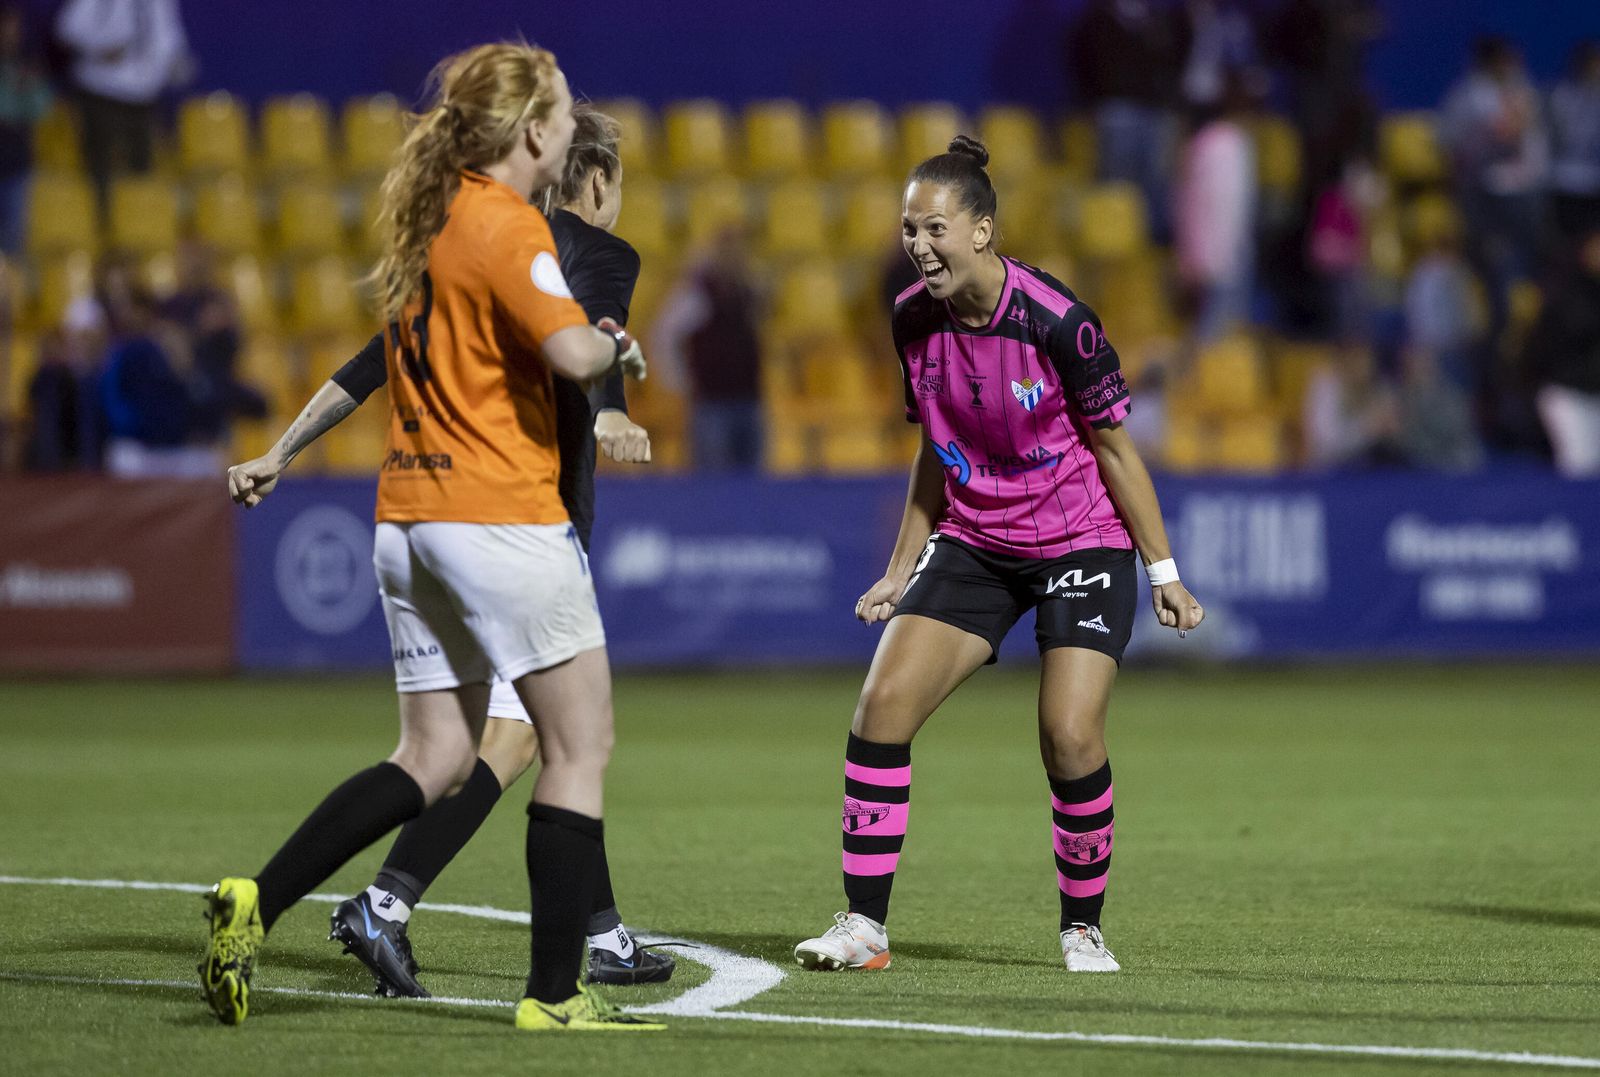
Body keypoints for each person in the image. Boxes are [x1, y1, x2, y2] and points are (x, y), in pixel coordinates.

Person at [201, 43, 662, 1033]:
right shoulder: (514, 226)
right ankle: (554, 995)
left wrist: (279, 452)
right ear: (533, 133)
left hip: (407, 523)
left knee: (434, 754)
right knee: (578, 743)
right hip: (503, 517)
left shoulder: (429, 225)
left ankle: (258, 899)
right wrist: (617, 356)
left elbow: (377, 364)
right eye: (560, 113)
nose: (567, 129)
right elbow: (574, 344)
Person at [792, 136, 1203, 976]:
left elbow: (1116, 450)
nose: (919, 245)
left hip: (1080, 540)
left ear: (982, 231)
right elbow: (932, 447)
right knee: (881, 709)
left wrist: (1163, 572)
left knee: (1069, 734)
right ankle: (864, 927)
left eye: (935, 228)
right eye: (909, 229)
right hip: (977, 538)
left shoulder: (1060, 322)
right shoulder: (911, 317)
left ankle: (1082, 928)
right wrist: (901, 567)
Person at [52, 0, 191, 210]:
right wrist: (99, 48)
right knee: (102, 169)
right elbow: (69, 28)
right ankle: (103, 222)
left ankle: (136, 224)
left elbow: (168, 35)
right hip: (103, 93)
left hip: (145, 96)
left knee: (141, 170)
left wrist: (171, 62)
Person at [651, 223, 764, 470]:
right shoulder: (698, 292)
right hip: (712, 403)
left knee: (754, 483)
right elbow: (664, 335)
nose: (738, 256)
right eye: (730, 250)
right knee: (713, 480)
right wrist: (677, 379)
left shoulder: (748, 291)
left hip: (750, 399)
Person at [1528, 227, 1600, 477]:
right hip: (1568, 392)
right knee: (1580, 469)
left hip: (1593, 392)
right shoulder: (1568, 290)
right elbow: (1560, 339)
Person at [0, 3, 53, 258]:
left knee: (12, 243)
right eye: (5, 27)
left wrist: (23, 94)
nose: (10, 33)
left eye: (14, 27)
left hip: (15, 164)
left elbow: (42, 108)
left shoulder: (27, 63)